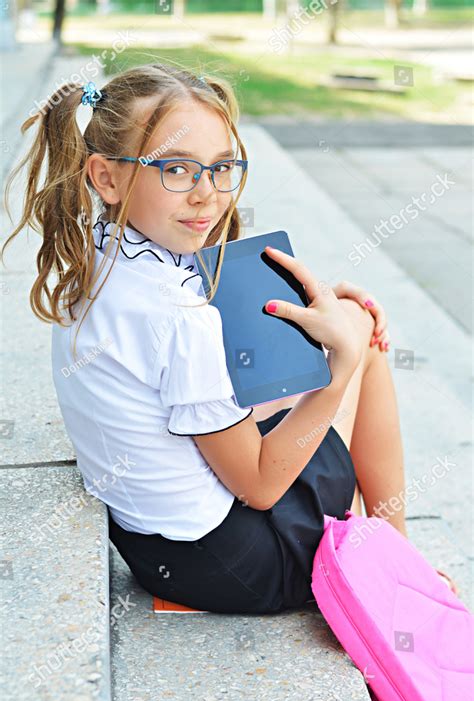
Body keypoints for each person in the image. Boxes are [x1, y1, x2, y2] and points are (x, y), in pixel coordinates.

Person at [1, 63, 458, 614]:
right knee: (360, 337)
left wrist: (319, 307)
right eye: (176, 170)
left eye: (221, 169)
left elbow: (185, 349)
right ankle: (396, 562)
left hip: (157, 546)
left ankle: (390, 550)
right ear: (107, 177)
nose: (207, 195)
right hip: (244, 562)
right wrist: (341, 366)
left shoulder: (97, 252)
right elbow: (261, 487)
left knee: (345, 319)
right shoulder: (176, 315)